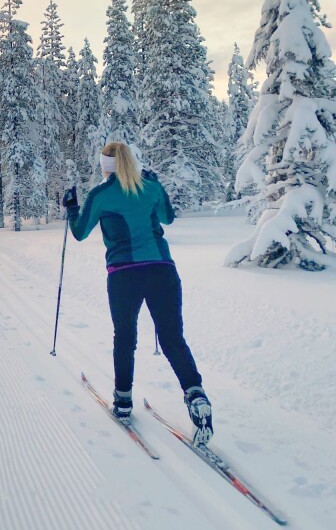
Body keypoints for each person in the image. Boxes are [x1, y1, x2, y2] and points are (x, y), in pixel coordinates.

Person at [62, 141, 213, 444]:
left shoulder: (100, 195)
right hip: (162, 270)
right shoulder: (150, 187)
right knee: (172, 339)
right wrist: (158, 186)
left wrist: (72, 207)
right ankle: (195, 395)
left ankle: (123, 401)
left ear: (105, 167)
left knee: (125, 337)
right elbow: (168, 218)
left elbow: (79, 233)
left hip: (124, 276)